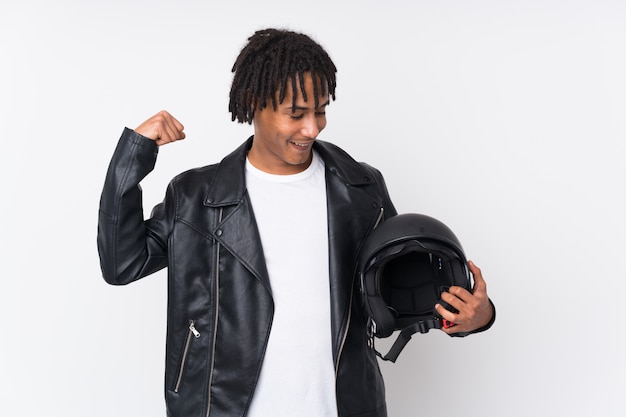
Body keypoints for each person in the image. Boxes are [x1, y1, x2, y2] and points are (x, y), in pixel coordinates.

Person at [97, 28, 495, 417]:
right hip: (220, 406)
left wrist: (474, 318)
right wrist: (133, 157)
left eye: (320, 110)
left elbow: (398, 291)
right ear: (254, 101)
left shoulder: (361, 187)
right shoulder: (196, 196)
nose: (313, 127)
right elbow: (122, 265)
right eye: (296, 113)